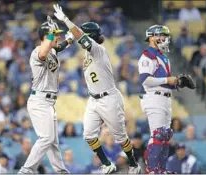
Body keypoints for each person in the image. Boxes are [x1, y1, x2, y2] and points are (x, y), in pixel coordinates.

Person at [53, 4, 141, 174]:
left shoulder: (98, 49)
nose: (81, 36)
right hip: (94, 99)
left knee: (120, 136)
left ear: (90, 36)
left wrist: (66, 20)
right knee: (88, 135)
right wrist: (68, 39)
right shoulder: (87, 54)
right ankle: (107, 163)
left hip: (109, 98)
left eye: (83, 34)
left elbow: (81, 37)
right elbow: (66, 45)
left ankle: (133, 164)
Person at [17, 16, 74, 174]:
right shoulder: (37, 52)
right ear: (46, 36)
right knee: (46, 138)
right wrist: (51, 33)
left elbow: (58, 47)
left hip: (48, 103)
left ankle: (60, 170)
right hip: (39, 101)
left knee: (53, 141)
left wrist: (69, 39)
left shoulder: (52, 50)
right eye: (55, 34)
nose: (58, 37)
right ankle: (27, 170)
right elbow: (43, 52)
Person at [137, 25, 192, 173]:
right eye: (161, 35)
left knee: (166, 136)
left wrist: (179, 82)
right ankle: (152, 169)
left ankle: (161, 169)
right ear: (151, 37)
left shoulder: (163, 57)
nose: (165, 39)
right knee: (158, 134)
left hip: (165, 98)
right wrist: (168, 80)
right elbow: (145, 79)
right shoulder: (147, 56)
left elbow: (166, 82)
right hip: (154, 98)